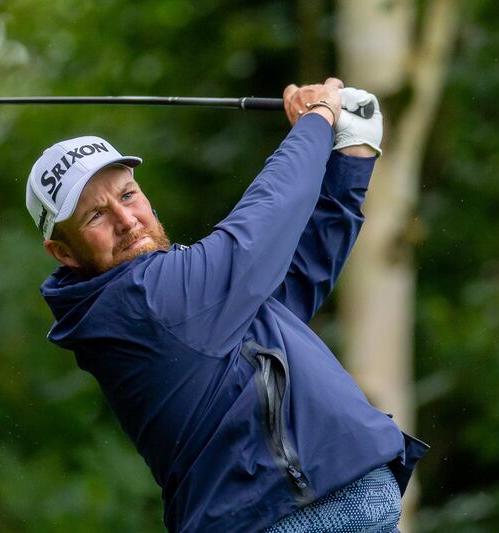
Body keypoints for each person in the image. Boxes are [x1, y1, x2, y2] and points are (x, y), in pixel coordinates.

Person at [24, 77, 428, 532]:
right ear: (64, 253)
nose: (125, 219)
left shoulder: (184, 300)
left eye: (127, 195)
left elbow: (292, 284)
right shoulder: (140, 301)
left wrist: (351, 157)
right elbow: (258, 234)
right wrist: (317, 121)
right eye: (95, 216)